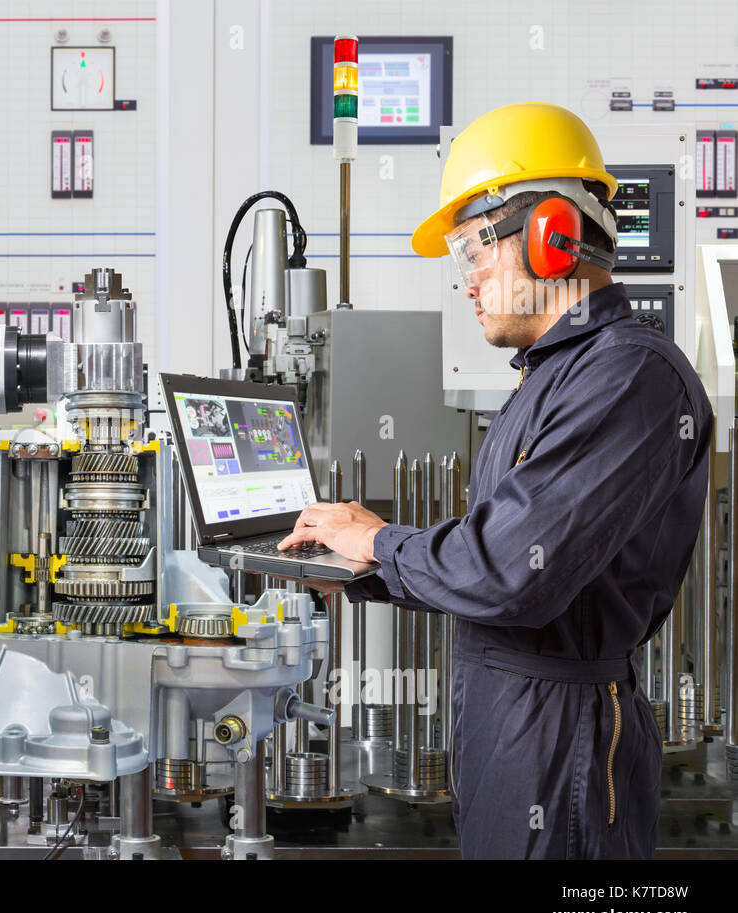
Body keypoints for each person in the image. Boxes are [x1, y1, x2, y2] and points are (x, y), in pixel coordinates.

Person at [277, 102, 713, 859]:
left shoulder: (628, 377)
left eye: (474, 252)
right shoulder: (554, 377)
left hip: (563, 741)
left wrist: (380, 541)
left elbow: (512, 571)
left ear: (551, 236)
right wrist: (362, 571)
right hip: (512, 722)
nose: (467, 281)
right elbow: (498, 556)